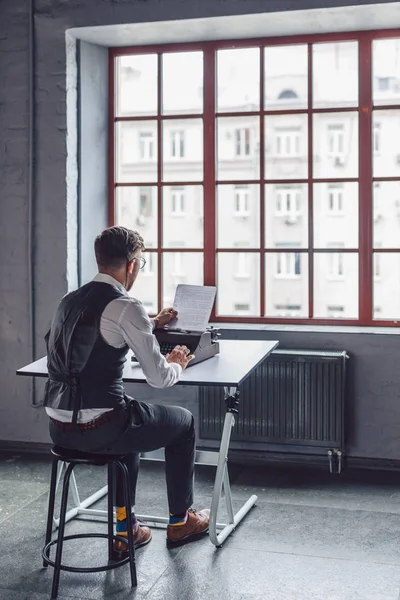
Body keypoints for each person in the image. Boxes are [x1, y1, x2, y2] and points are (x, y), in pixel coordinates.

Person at [43, 226, 209, 551]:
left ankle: (125, 526)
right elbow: (159, 379)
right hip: (101, 429)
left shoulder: (69, 300)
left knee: (131, 417)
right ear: (132, 264)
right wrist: (177, 361)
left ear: (99, 258)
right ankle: (180, 521)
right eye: (141, 264)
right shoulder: (126, 306)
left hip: (58, 429)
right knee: (182, 422)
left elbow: (95, 329)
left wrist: (151, 323)